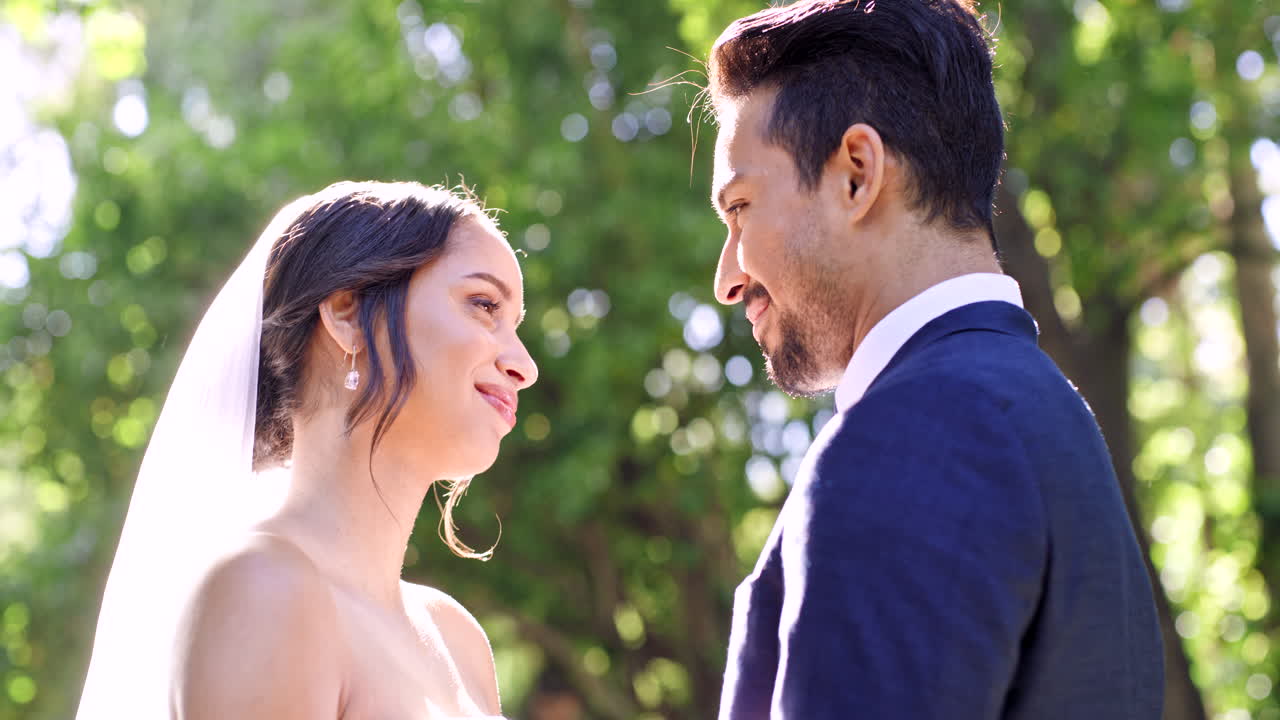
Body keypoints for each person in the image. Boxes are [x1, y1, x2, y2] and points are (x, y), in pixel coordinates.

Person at [704, 1, 1164, 718]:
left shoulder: (914, 436)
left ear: (856, 174)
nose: (727, 278)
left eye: (739, 209)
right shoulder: (1046, 413)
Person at [75, 181, 535, 720]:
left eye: (515, 326)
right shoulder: (262, 589)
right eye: (484, 305)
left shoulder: (458, 640)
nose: (525, 367)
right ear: (347, 313)